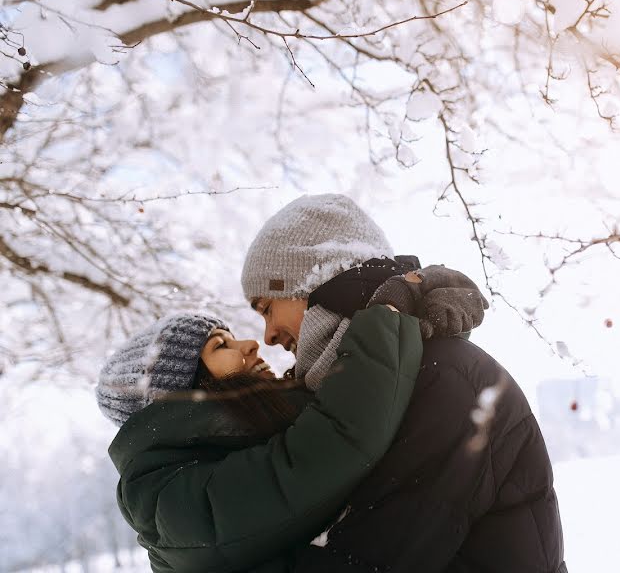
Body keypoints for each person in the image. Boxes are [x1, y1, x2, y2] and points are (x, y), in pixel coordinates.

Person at [240, 194, 566, 572]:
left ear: (313, 281)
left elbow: (369, 557)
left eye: (267, 308)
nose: (267, 336)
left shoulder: (444, 378)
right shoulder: (365, 391)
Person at [97, 269, 486, 572]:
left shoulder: (247, 438)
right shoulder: (165, 500)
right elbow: (337, 440)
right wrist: (391, 311)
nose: (250, 343)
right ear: (180, 389)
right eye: (220, 346)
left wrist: (426, 304)